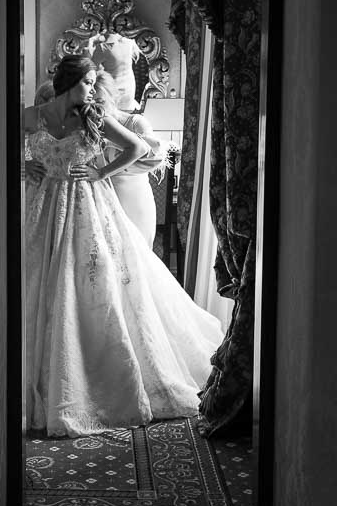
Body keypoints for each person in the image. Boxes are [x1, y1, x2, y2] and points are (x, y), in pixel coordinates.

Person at [24, 53, 224, 437]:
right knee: (41, 279)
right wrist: (22, 165)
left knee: (89, 282)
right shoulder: (33, 116)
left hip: (87, 205)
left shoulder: (93, 116)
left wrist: (101, 170)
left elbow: (137, 148)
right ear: (71, 81)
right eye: (87, 82)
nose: (92, 90)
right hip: (44, 207)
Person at [93, 69, 164, 247]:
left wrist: (115, 142)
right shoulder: (86, 127)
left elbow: (155, 158)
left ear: (112, 98)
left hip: (133, 198)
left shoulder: (135, 123)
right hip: (100, 201)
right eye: (90, 103)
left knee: (137, 255)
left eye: (100, 101)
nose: (96, 109)